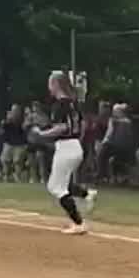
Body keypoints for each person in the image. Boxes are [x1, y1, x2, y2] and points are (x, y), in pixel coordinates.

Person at [32, 71, 97, 234]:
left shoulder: (60, 105)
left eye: (50, 84)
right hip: (75, 145)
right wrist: (76, 141)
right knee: (64, 184)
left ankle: (79, 222)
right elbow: (82, 126)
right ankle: (86, 194)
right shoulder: (74, 104)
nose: (49, 88)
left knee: (55, 187)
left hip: (66, 146)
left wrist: (42, 134)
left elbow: (62, 127)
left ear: (55, 84)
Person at [97, 102, 139, 183]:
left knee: (102, 155)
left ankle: (102, 176)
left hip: (116, 145)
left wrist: (103, 142)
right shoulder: (128, 122)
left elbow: (109, 134)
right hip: (124, 147)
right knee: (115, 159)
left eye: (115, 111)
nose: (114, 113)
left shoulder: (115, 121)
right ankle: (118, 176)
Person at [0, 104, 29, 183]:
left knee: (17, 161)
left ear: (19, 111)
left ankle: (18, 177)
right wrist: (7, 121)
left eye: (16, 110)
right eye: (13, 110)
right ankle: (6, 176)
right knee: (5, 160)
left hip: (20, 144)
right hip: (9, 143)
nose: (15, 112)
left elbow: (25, 129)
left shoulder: (23, 119)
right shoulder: (8, 119)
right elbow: (2, 129)